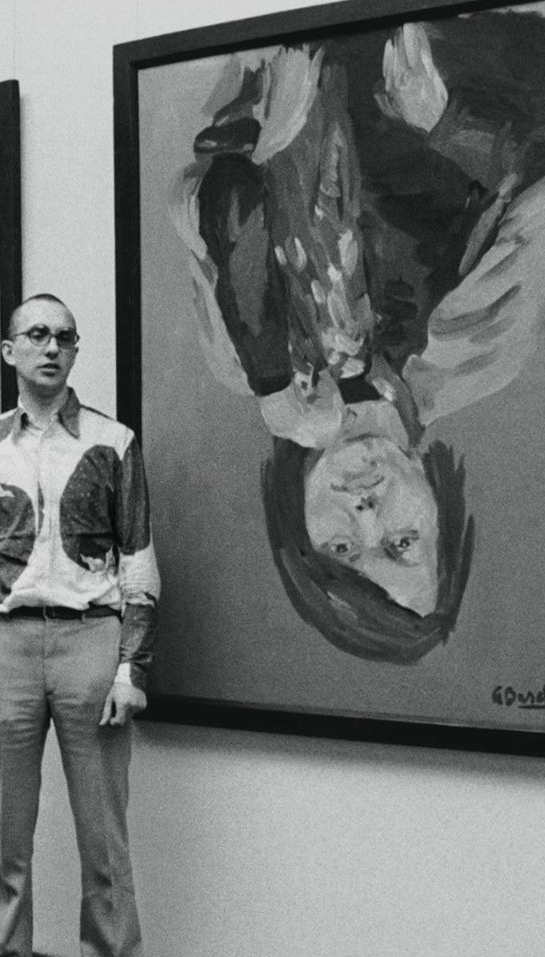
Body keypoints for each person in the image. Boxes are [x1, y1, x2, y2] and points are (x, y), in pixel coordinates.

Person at [170, 11, 545, 662]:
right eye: (402, 542)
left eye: (342, 547)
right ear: (440, 510)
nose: (367, 513)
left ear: (298, 530)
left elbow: (209, 196)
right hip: (469, 48)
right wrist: (448, 123)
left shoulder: (239, 368)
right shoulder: (480, 356)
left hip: (288, 45)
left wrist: (271, 373)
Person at [0, 294, 160, 957]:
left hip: (90, 642)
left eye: (65, 337)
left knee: (104, 841)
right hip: (5, 645)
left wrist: (131, 666)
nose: (52, 347)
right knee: (8, 838)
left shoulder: (112, 442)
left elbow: (139, 563)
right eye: (37, 335)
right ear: (9, 351)